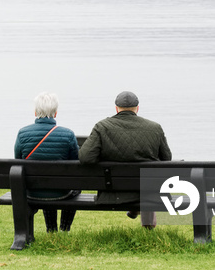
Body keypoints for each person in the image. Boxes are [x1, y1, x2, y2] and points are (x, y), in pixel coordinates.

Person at [79, 90, 172, 228]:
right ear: (137, 109)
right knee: (147, 179)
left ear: (116, 108)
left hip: (112, 190)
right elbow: (167, 159)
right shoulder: (155, 128)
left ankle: (135, 210)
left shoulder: (102, 127)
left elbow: (86, 158)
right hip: (147, 191)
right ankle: (146, 225)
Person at [14, 92, 79, 233]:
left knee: (45, 183)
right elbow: (76, 165)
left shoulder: (22, 133)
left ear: (35, 112)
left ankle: (51, 230)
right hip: (61, 192)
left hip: (32, 191)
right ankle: (64, 229)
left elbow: (18, 161)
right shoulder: (68, 134)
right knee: (72, 185)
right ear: (55, 113)